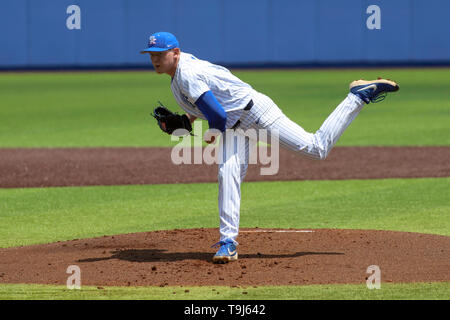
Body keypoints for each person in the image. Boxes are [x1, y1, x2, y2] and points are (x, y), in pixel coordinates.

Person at [140, 31, 399, 263]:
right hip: (235, 124)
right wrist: (185, 122)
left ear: (175, 53)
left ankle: (357, 96)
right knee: (227, 174)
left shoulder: (187, 74)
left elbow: (217, 116)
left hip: (256, 114)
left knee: (316, 148)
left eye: (160, 53)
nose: (155, 59)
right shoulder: (178, 75)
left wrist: (212, 133)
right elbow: (208, 104)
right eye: (151, 54)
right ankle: (228, 243)